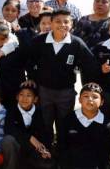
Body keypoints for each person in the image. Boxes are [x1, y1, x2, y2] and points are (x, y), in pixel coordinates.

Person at [26, 9, 97, 151]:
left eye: (66, 22)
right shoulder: (39, 41)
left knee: (64, 124)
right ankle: (45, 152)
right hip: (43, 91)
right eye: (58, 21)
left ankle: (62, 153)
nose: (62, 24)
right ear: (51, 23)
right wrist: (32, 78)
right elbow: (28, 60)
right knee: (45, 123)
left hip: (66, 92)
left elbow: (89, 65)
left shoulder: (77, 43)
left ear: (71, 25)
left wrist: (87, 87)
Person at [59, 83, 110, 169]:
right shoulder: (69, 120)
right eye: (86, 96)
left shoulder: (107, 125)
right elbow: (62, 145)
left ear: (102, 102)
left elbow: (107, 153)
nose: (90, 99)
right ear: (80, 99)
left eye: (95, 97)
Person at [2, 82, 54, 169]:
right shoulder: (11, 110)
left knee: (47, 163)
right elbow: (9, 129)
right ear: (17, 97)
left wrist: (44, 150)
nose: (24, 98)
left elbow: (46, 133)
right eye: (21, 95)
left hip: (34, 148)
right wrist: (30, 137)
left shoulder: (41, 112)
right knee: (7, 140)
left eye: (28, 95)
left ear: (35, 99)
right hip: (18, 145)